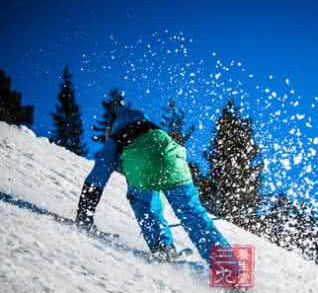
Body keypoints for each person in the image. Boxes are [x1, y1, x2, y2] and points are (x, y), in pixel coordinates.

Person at [75, 106, 231, 263]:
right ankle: (229, 269)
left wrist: (84, 215)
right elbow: (158, 151)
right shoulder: (152, 127)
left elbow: (98, 175)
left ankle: (162, 247)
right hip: (172, 155)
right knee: (192, 212)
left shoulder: (117, 135)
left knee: (144, 203)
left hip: (140, 162)